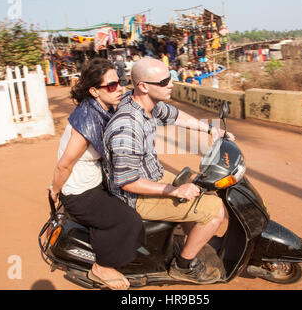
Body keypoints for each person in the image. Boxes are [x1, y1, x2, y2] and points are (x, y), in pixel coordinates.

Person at [103, 57, 234, 285]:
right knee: (215, 211)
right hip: (135, 196)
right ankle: (183, 265)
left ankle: (190, 242)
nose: (170, 84)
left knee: (203, 185)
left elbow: (174, 115)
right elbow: (127, 181)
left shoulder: (146, 104)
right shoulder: (127, 126)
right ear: (143, 86)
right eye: (163, 81)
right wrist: (173, 192)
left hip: (152, 175)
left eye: (170, 77)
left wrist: (211, 130)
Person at [49, 58, 144, 290]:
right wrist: (55, 190)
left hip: (95, 181)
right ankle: (101, 266)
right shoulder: (86, 121)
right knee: (129, 220)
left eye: (120, 82)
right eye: (111, 86)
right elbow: (65, 164)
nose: (119, 88)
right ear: (94, 91)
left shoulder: (101, 107)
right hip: (79, 192)